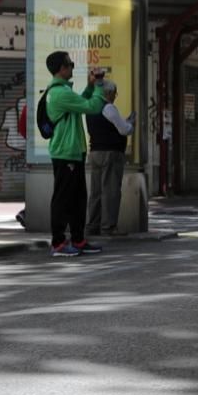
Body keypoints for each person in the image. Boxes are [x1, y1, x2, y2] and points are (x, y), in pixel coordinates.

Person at [43, 51, 106, 257]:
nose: (72, 67)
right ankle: (59, 243)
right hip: (65, 153)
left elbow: (80, 102)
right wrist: (98, 86)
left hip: (72, 153)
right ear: (61, 68)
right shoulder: (60, 93)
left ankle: (78, 240)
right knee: (63, 199)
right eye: (70, 64)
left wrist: (89, 87)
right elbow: (92, 107)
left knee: (78, 199)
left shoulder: (62, 91)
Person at [86, 80, 135, 236]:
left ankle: (93, 225)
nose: (115, 96)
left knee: (96, 191)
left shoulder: (90, 108)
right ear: (108, 93)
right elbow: (124, 130)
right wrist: (131, 123)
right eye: (114, 93)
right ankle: (108, 227)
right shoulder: (109, 107)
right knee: (111, 191)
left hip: (94, 152)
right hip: (110, 153)